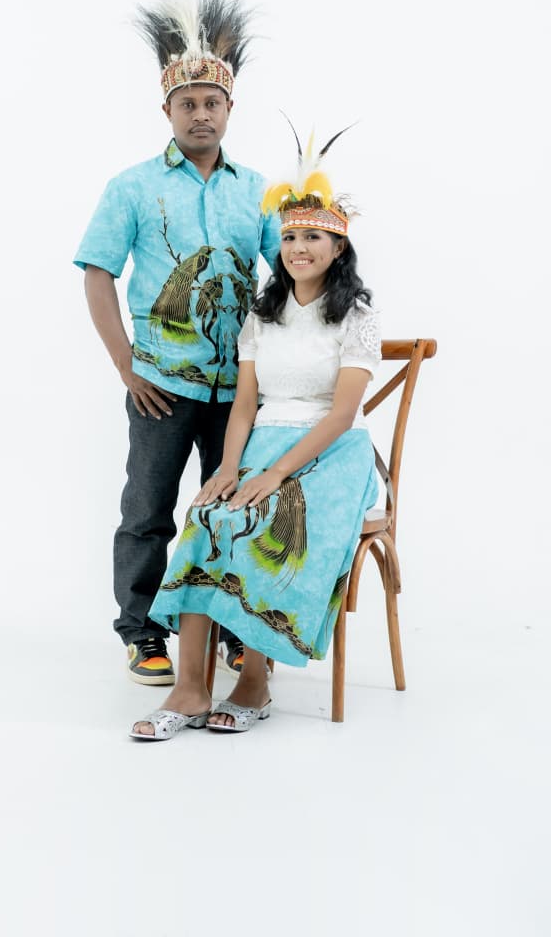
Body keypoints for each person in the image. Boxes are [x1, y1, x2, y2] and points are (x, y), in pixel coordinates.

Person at [131, 129, 381, 737]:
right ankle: (190, 689)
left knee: (267, 516)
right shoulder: (262, 316)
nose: (298, 248)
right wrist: (226, 469)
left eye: (312, 237)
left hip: (331, 454)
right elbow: (244, 406)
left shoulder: (357, 317)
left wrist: (273, 474)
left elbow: (342, 414)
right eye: (289, 237)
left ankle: (254, 681)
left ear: (338, 247)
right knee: (207, 516)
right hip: (263, 443)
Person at [75, 0, 281, 685]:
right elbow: (98, 274)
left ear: (230, 109)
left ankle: (233, 631)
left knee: (235, 509)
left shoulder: (258, 191)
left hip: (240, 390)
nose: (200, 114)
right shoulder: (132, 188)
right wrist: (127, 365)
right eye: (187, 103)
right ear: (167, 110)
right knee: (148, 511)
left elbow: (294, 270)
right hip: (160, 385)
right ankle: (144, 633)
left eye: (212, 103)